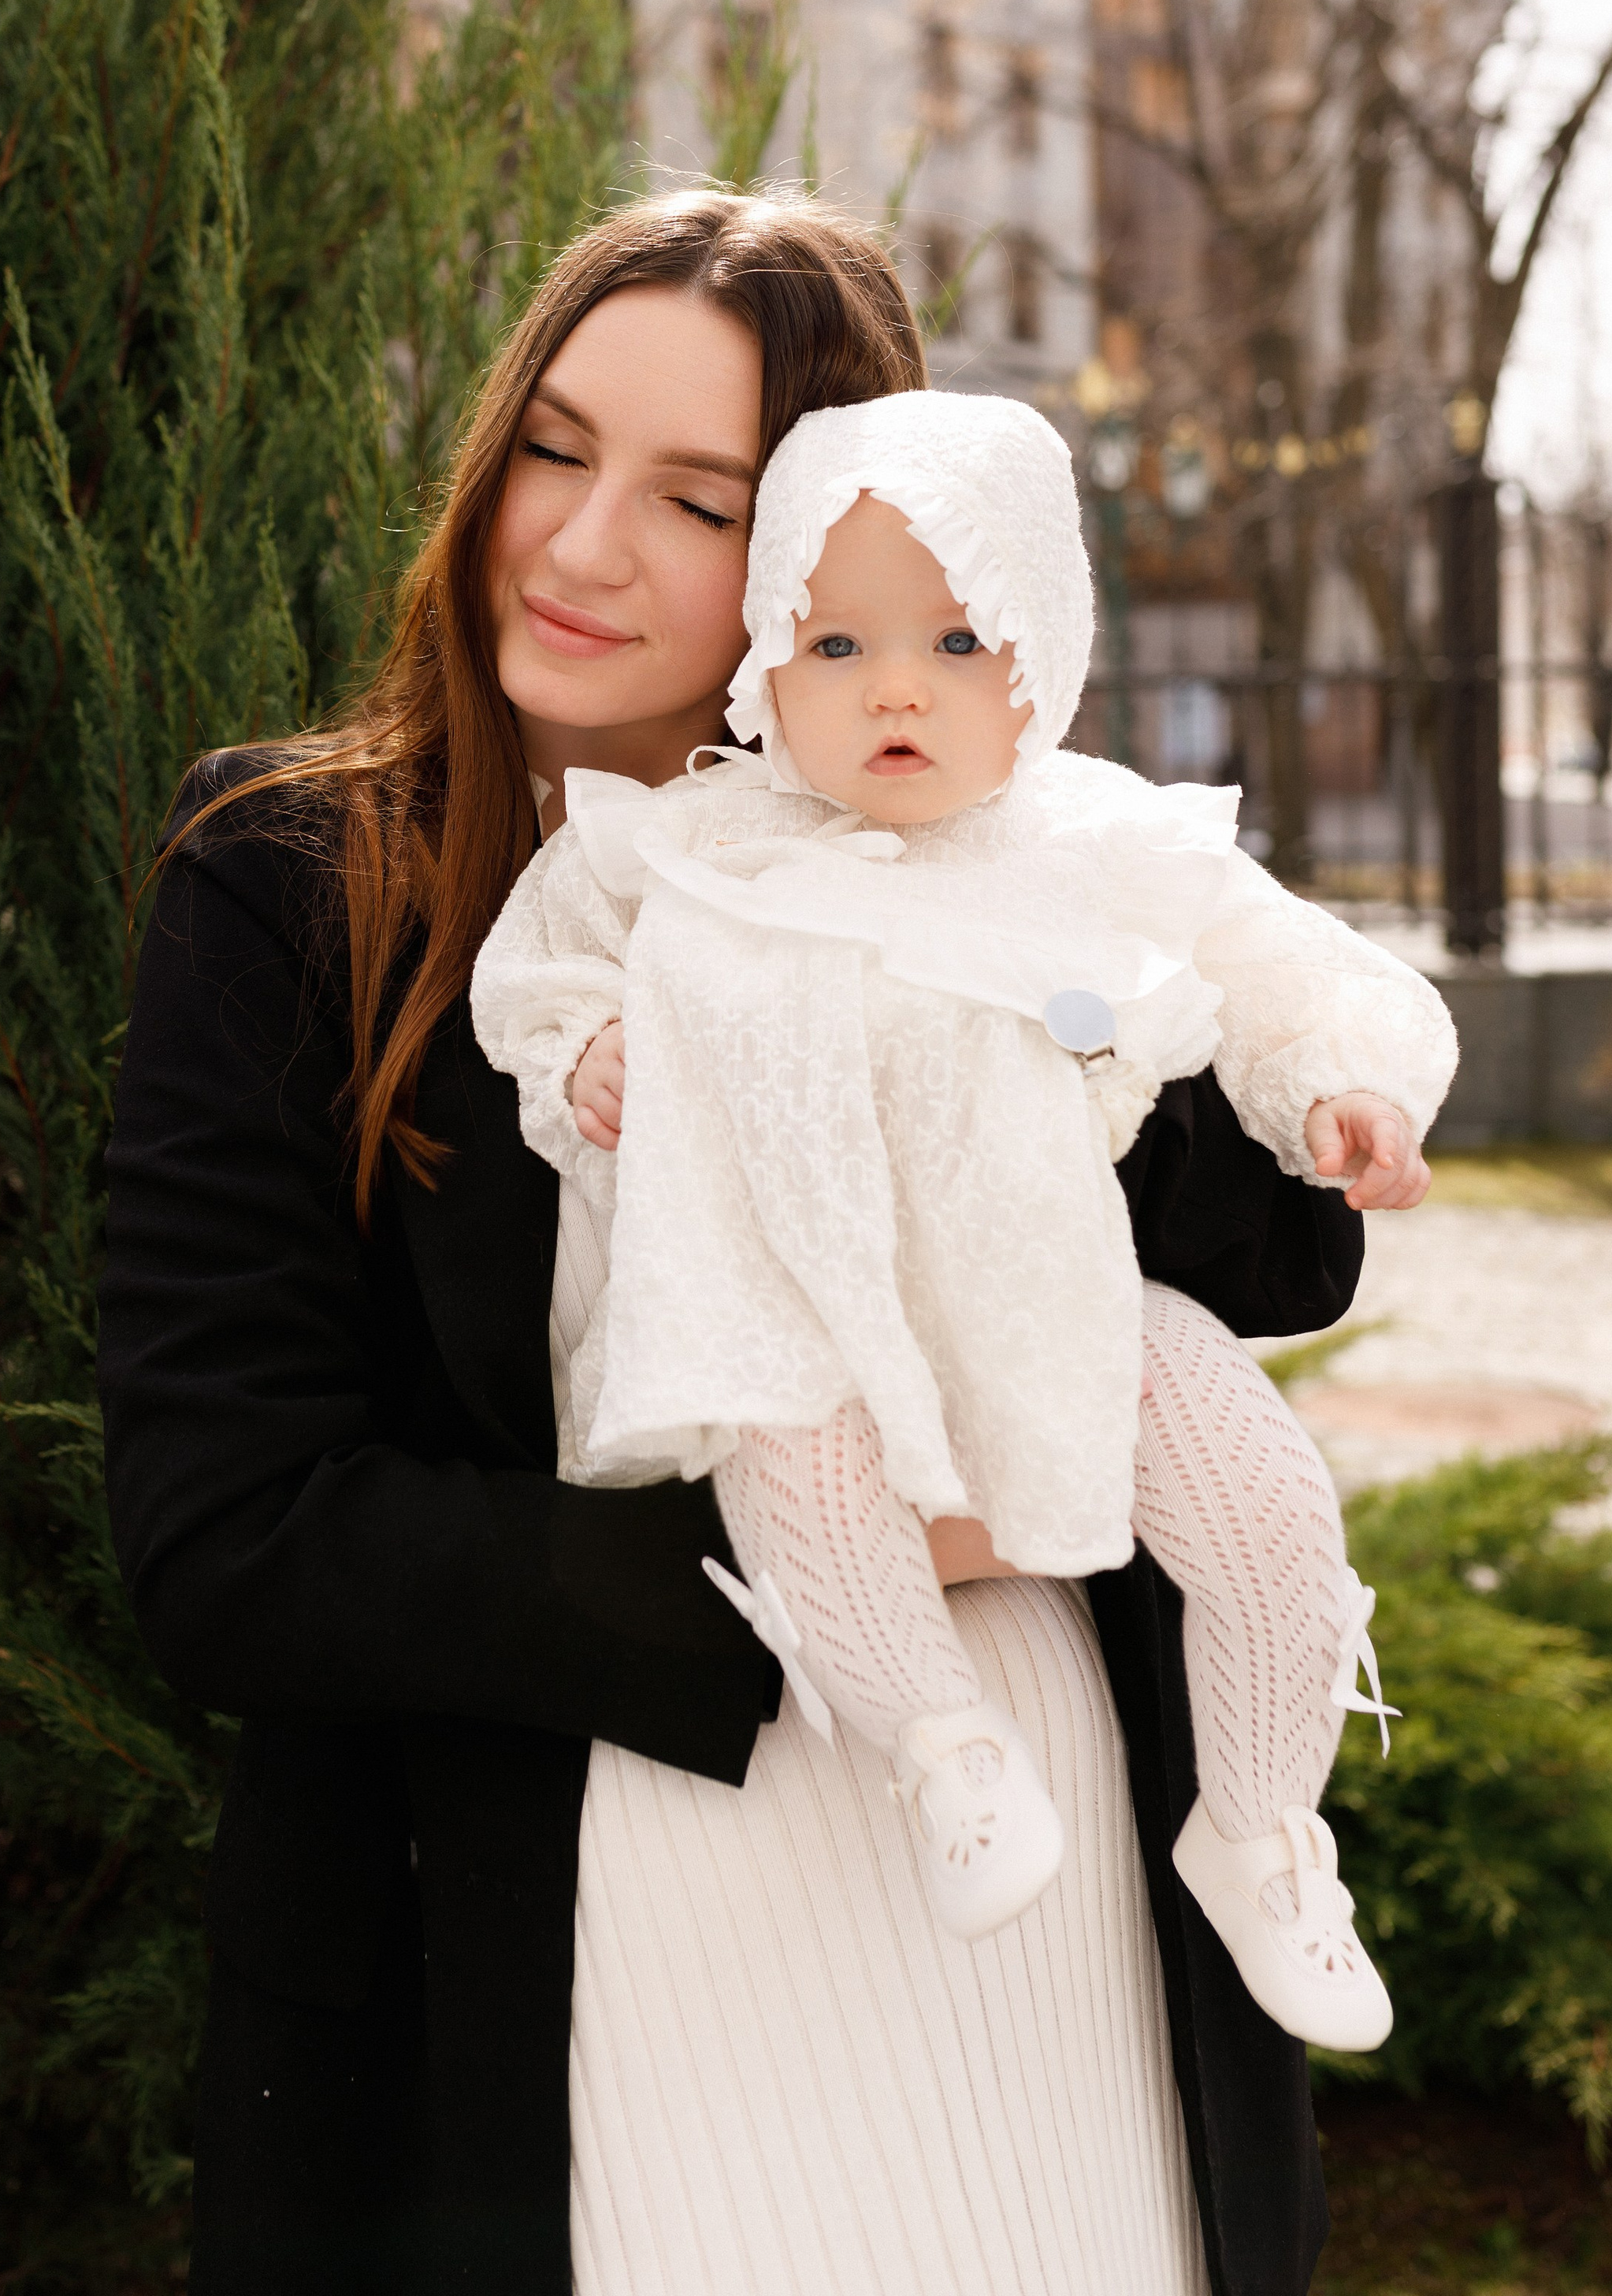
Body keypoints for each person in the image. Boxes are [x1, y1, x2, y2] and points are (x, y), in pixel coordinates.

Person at [100, 190, 1377, 2296]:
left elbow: (1285, 1248)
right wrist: (821, 1558)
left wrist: (988, 950)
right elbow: (231, 1540)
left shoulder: (1005, 850)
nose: (586, 541)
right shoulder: (291, 889)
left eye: (695, 499)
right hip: (585, 1937)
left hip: (1048, 1955)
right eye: (550, 446)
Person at [473, 387, 1454, 2054]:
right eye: (833, 645)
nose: (895, 687)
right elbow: (541, 966)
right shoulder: (698, 838)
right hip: (810, 1303)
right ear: (765, 660)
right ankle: (942, 1749)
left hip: (1063, 1291)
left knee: (1262, 1509)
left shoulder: (1100, 841)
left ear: (1041, 662)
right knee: (804, 1477)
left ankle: (1263, 1828)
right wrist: (588, 1055)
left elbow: (1286, 973)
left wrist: (1338, 1090)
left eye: (951, 639)